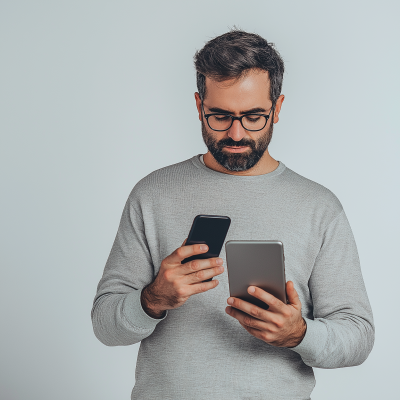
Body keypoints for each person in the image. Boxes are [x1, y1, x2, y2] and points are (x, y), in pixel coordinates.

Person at [91, 29, 374, 400]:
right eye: (219, 116)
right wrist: (153, 299)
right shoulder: (152, 194)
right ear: (198, 106)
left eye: (254, 116)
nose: (236, 133)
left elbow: (358, 336)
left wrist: (300, 334)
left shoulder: (319, 206)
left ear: (278, 107)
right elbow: (105, 326)